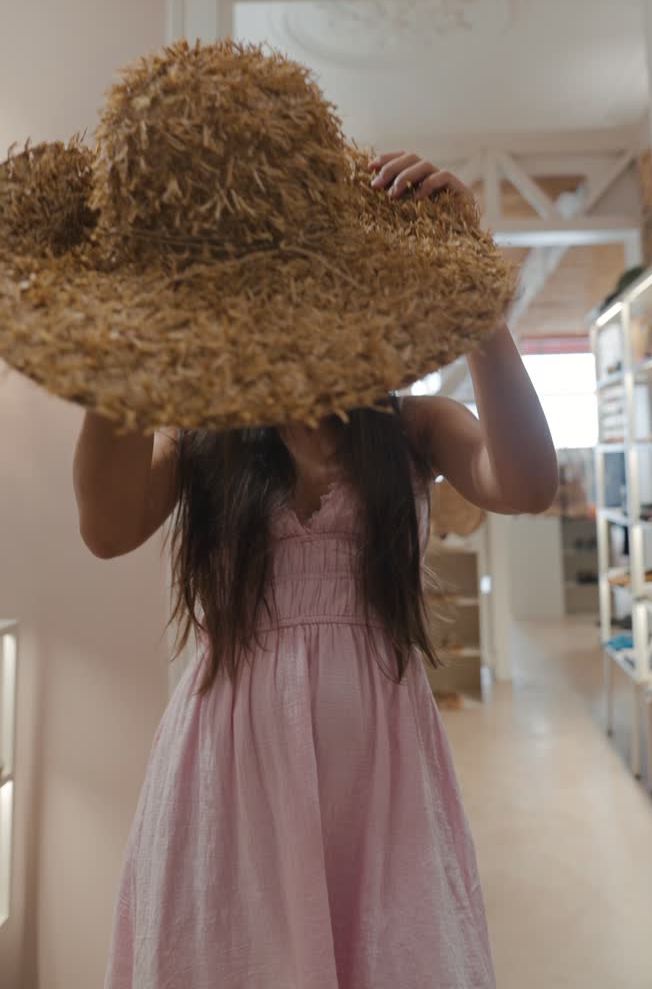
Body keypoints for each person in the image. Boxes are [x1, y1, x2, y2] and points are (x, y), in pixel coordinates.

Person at [73, 148, 557, 989]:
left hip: (382, 764)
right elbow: (107, 529)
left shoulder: (416, 426)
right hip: (229, 759)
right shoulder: (202, 432)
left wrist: (472, 282)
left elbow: (527, 482)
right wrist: (125, 334)